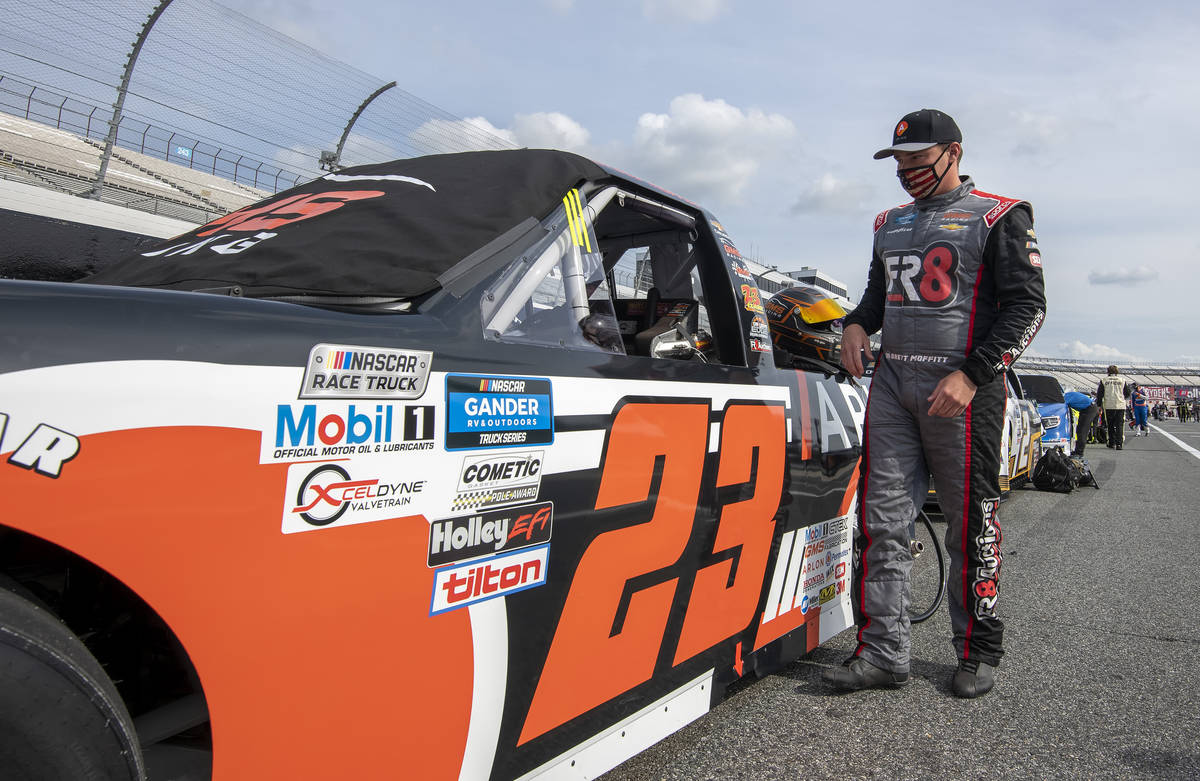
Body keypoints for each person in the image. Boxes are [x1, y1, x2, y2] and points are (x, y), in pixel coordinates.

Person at [825, 109, 1046, 699]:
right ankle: (881, 653)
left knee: (971, 525)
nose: (906, 172)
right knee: (882, 523)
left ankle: (977, 650)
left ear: (953, 152)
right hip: (894, 389)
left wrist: (973, 375)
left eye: (917, 160)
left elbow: (1029, 310)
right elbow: (879, 296)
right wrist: (854, 325)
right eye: (897, 161)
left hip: (964, 395)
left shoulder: (1001, 214)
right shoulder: (888, 223)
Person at [1097, 365, 1130, 449]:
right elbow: (1127, 393)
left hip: (1108, 405)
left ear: (1108, 371)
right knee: (1119, 425)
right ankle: (1119, 444)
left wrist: (1098, 405)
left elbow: (1100, 394)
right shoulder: (1122, 380)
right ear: (1117, 372)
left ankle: (1112, 442)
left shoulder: (1104, 380)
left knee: (1110, 425)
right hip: (1120, 405)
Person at [1064, 390, 1100, 457]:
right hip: (1091, 407)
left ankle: (1079, 452)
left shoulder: (1065, 397)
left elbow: (1062, 406)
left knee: (1082, 431)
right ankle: (1078, 450)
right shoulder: (1069, 394)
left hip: (1089, 409)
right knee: (1082, 429)